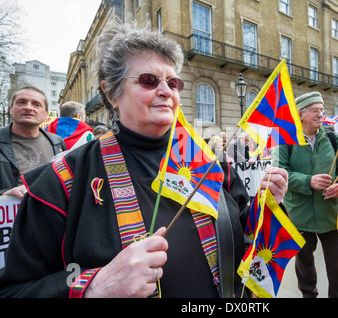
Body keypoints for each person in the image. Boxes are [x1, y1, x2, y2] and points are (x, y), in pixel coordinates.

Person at [0, 20, 288, 298]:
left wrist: (266, 205)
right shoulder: (62, 181)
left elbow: (244, 237)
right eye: (149, 81)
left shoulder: (211, 163)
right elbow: (15, 289)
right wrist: (93, 286)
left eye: (174, 83)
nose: (166, 91)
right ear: (112, 92)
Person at [272, 91, 338, 298]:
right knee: (305, 265)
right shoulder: (283, 140)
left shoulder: (334, 138)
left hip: (330, 214)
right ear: (299, 114)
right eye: (314, 110)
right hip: (300, 214)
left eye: (321, 110)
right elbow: (279, 172)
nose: (320, 114)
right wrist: (309, 181)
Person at [0, 86, 66, 200]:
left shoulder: (58, 142)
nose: (28, 108)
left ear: (46, 114)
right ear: (11, 109)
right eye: (21, 102)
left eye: (36, 104)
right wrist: (4, 195)